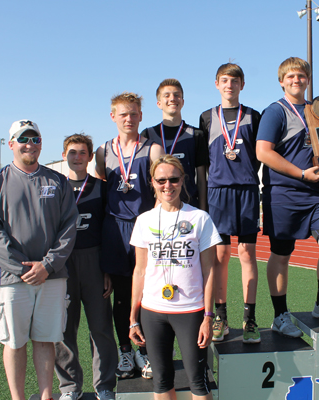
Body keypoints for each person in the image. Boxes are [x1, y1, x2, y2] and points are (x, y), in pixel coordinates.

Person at [0, 120, 77, 400]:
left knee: (46, 340)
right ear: (11, 144)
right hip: (11, 279)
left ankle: (46, 396)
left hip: (52, 275)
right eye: (23, 139)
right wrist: (21, 267)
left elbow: (69, 227)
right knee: (14, 341)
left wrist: (47, 265)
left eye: (35, 139)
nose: (30, 144)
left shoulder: (57, 181)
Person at [256, 57, 319, 339]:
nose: (297, 80)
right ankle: (280, 315)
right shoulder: (275, 111)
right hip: (284, 193)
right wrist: (300, 174)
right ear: (282, 81)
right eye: (291, 76)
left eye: (301, 76)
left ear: (308, 79)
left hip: (316, 193)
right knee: (281, 255)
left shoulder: (318, 110)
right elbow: (263, 153)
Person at [129, 155, 219, 400]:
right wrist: (132, 318)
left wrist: (208, 316)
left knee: (198, 383)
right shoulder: (144, 221)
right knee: (161, 381)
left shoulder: (200, 218)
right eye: (161, 180)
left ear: (183, 180)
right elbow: (139, 271)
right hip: (152, 312)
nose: (167, 185)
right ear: (152, 182)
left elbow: (210, 270)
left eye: (173, 179)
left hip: (191, 311)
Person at [95, 92, 164, 379]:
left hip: (144, 226)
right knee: (122, 297)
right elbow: (101, 190)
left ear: (140, 116)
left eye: (134, 113)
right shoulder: (102, 151)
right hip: (115, 229)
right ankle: (125, 351)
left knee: (147, 294)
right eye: (123, 113)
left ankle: (146, 351)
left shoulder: (153, 148)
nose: (128, 118)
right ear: (113, 116)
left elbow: (160, 190)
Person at [198, 63, 262, 343]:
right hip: (218, 193)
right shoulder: (206, 117)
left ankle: (250, 318)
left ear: (242, 85)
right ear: (216, 84)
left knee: (247, 253)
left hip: (247, 190)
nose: (229, 85)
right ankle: (221, 317)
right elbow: (203, 162)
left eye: (234, 81)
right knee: (221, 256)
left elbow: (260, 154)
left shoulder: (253, 116)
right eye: (224, 80)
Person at [54, 134, 118, 400]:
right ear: (64, 155)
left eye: (82, 152)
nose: (77, 157)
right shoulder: (55, 187)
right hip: (63, 263)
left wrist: (107, 269)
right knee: (64, 328)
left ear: (91, 157)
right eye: (72, 152)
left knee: (100, 326)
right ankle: (69, 387)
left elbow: (109, 230)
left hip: (93, 260)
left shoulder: (101, 187)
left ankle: (104, 385)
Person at [142, 79, 208, 209]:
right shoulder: (148, 135)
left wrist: (203, 210)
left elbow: (201, 180)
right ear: (159, 103)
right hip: (158, 208)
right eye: (167, 95)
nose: (172, 98)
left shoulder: (196, 135)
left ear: (182, 102)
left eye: (177, 95)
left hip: (188, 206)